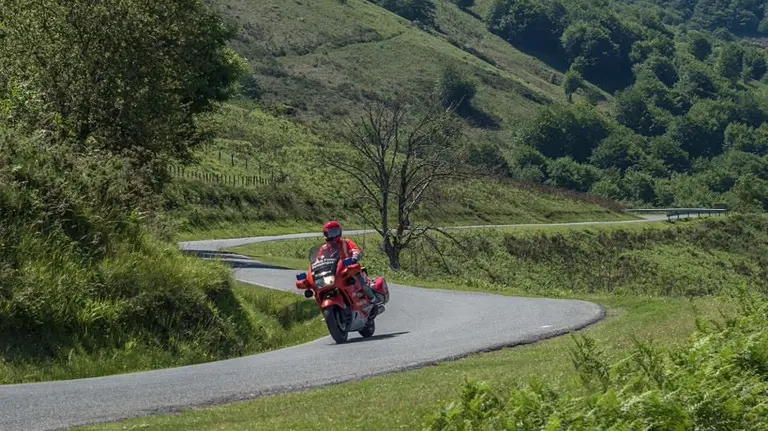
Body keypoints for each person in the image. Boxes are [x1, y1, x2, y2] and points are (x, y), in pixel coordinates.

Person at [319, 220, 381, 304]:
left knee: (362, 284)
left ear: (339, 231)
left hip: (350, 269)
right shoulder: (324, 248)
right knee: (323, 287)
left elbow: (355, 249)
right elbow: (318, 259)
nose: (332, 235)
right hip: (334, 272)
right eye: (329, 233)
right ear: (325, 234)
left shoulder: (346, 242)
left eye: (334, 232)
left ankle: (373, 299)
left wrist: (355, 256)